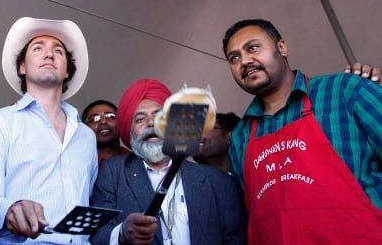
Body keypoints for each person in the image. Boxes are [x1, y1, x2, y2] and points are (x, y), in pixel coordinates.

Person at [222, 18, 382, 244]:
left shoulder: (345, 90)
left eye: (253, 47)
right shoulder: (240, 136)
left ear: (282, 47)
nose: (245, 61)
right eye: (234, 58)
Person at [0, 17, 98, 244]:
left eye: (58, 51)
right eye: (38, 48)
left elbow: (87, 201)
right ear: (22, 67)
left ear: (67, 70)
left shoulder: (86, 136)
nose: (49, 54)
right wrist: (8, 209)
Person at [90, 79, 246, 245]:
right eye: (140, 119)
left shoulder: (219, 182)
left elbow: (235, 239)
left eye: (158, 116)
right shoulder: (113, 172)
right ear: (130, 131)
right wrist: (122, 233)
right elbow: (96, 235)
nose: (151, 123)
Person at [82, 99, 130, 167]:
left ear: (121, 122)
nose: (103, 122)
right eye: (95, 118)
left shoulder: (134, 160)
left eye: (111, 116)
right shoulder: (78, 163)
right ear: (84, 128)